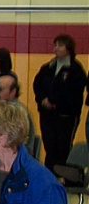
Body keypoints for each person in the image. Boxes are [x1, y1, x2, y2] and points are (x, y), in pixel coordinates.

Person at [33, 33, 87, 172]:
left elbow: (71, 90)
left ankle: (63, 177)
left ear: (69, 49)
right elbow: (37, 84)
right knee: (49, 146)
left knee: (62, 148)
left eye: (60, 45)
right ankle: (49, 175)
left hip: (65, 115)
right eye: (55, 45)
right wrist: (43, 100)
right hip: (47, 114)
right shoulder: (48, 67)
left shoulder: (75, 69)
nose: (56, 48)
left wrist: (53, 101)